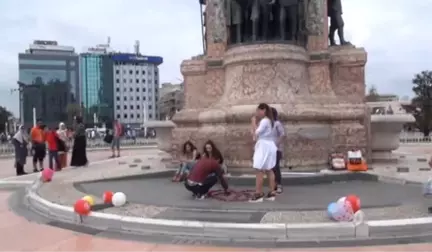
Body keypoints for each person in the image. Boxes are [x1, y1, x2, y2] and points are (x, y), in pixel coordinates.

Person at [250, 103, 278, 202]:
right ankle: (272, 192)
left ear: (264, 110)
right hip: (269, 145)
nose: (257, 113)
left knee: (259, 169)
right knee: (269, 169)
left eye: (258, 111)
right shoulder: (269, 121)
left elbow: (256, 133)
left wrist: (253, 122)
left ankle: (258, 193)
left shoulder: (265, 121)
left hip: (264, 146)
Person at [271, 107, 285, 194]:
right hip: (269, 150)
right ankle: (274, 184)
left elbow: (282, 135)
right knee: (271, 168)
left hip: (276, 149)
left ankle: (279, 184)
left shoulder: (277, 124)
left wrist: (276, 144)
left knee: (276, 167)